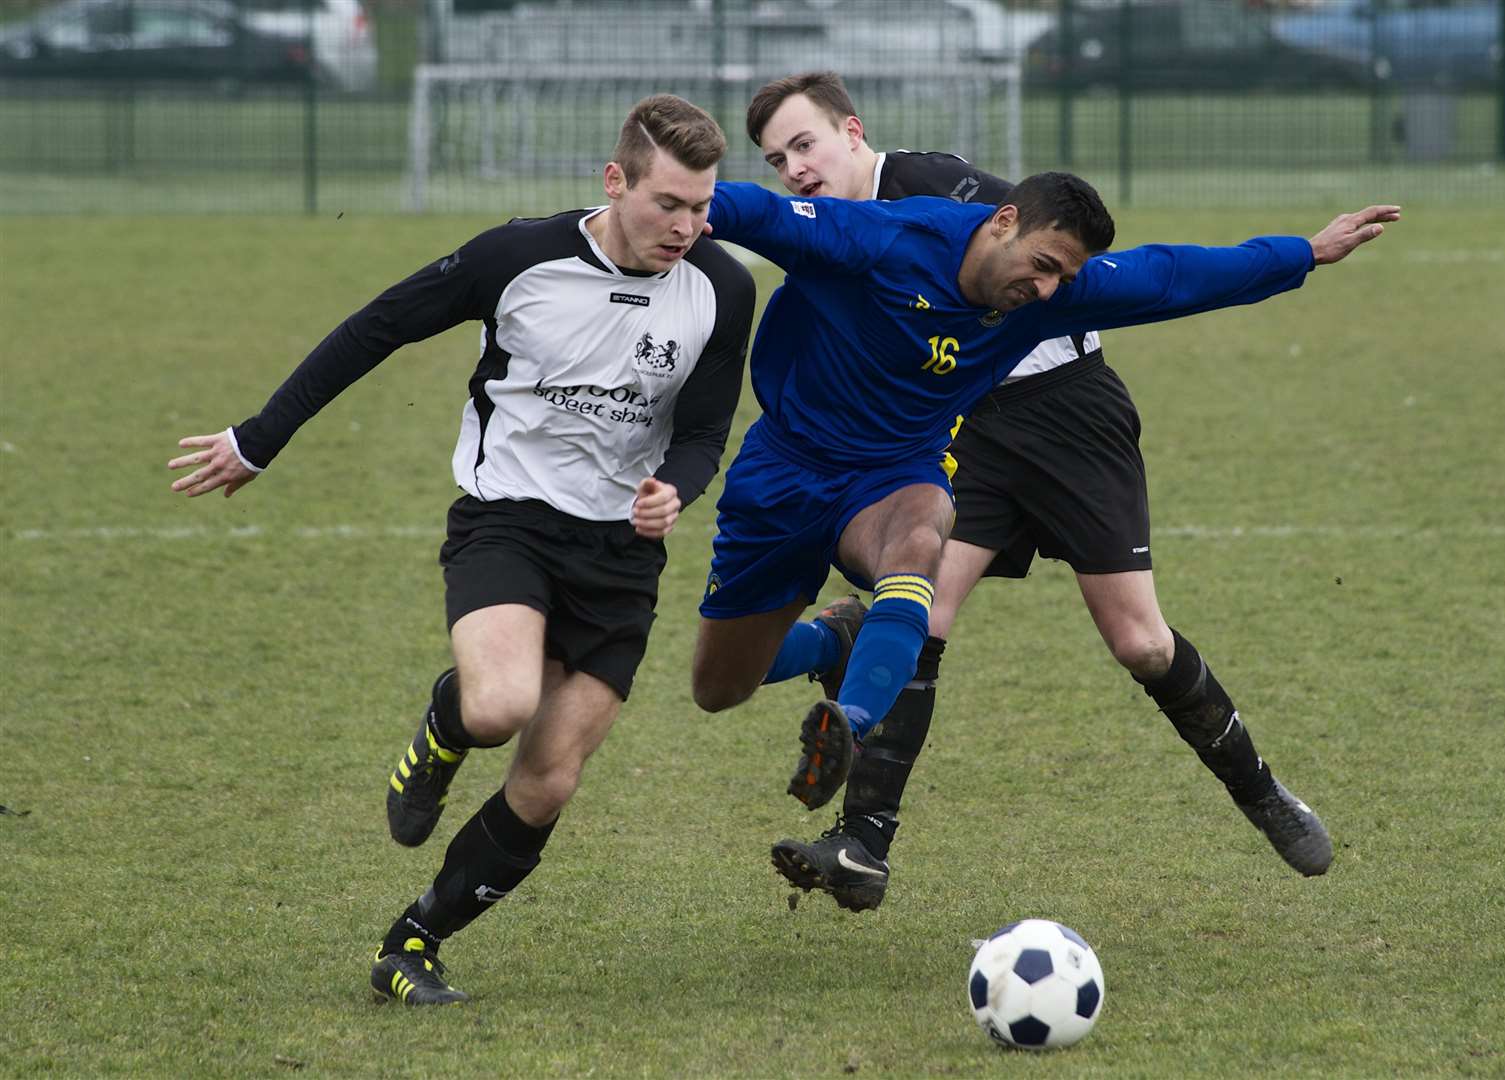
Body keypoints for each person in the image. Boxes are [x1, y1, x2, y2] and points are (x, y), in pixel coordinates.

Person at [687, 122, 1396, 895]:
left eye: (1064, 275)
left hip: (1021, 433)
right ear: (1001, 224)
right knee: (720, 687)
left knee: (1090, 623)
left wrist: (1303, 252)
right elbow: (754, 214)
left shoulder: (1046, 292)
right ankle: (835, 653)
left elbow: (1168, 276)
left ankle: (852, 754)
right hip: (814, 462)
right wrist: (671, 205)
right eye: (1043, 267)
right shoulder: (880, 239)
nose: (1051, 289)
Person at [166, 95, 756, 1004]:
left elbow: (706, 429)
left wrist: (677, 486)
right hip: (507, 521)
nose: (686, 226)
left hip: (621, 558)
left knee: (549, 779)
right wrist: (259, 438)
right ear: (615, 181)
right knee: (498, 708)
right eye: (666, 204)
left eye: (700, 207)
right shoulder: (515, 258)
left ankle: (414, 942)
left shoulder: (723, 286)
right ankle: (445, 727)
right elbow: (377, 327)